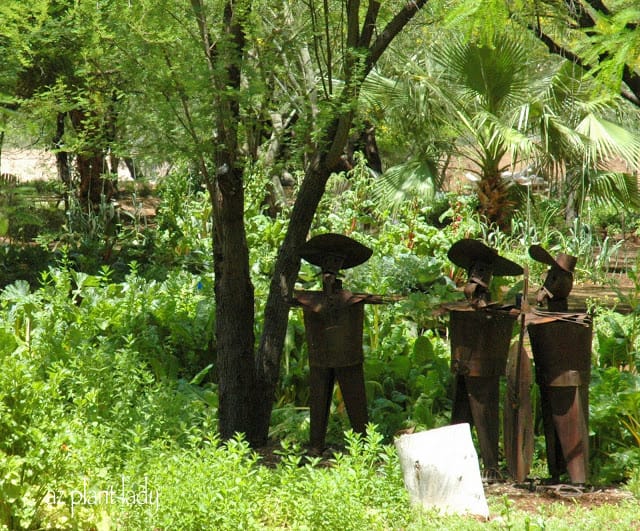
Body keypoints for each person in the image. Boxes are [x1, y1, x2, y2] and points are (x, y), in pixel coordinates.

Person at [291, 233, 386, 452]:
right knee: (319, 400)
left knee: (355, 402)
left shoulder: (350, 299)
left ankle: (363, 445)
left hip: (347, 356)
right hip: (321, 357)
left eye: (334, 266)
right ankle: (317, 444)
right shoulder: (313, 299)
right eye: (327, 267)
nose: (329, 274)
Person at [445, 239, 523, 481]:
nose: (478, 278)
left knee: (484, 411)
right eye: (477, 272)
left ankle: (491, 465)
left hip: (484, 364)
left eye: (483, 273)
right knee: (461, 414)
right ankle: (455, 462)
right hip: (464, 363)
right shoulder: (469, 304)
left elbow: (502, 316)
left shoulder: (494, 309)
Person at [527, 245, 591, 486]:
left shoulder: (578, 320)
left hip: (567, 378)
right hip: (547, 375)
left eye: (554, 278)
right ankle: (555, 472)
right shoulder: (548, 318)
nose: (548, 282)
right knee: (551, 423)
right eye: (549, 277)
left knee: (570, 422)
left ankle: (578, 478)